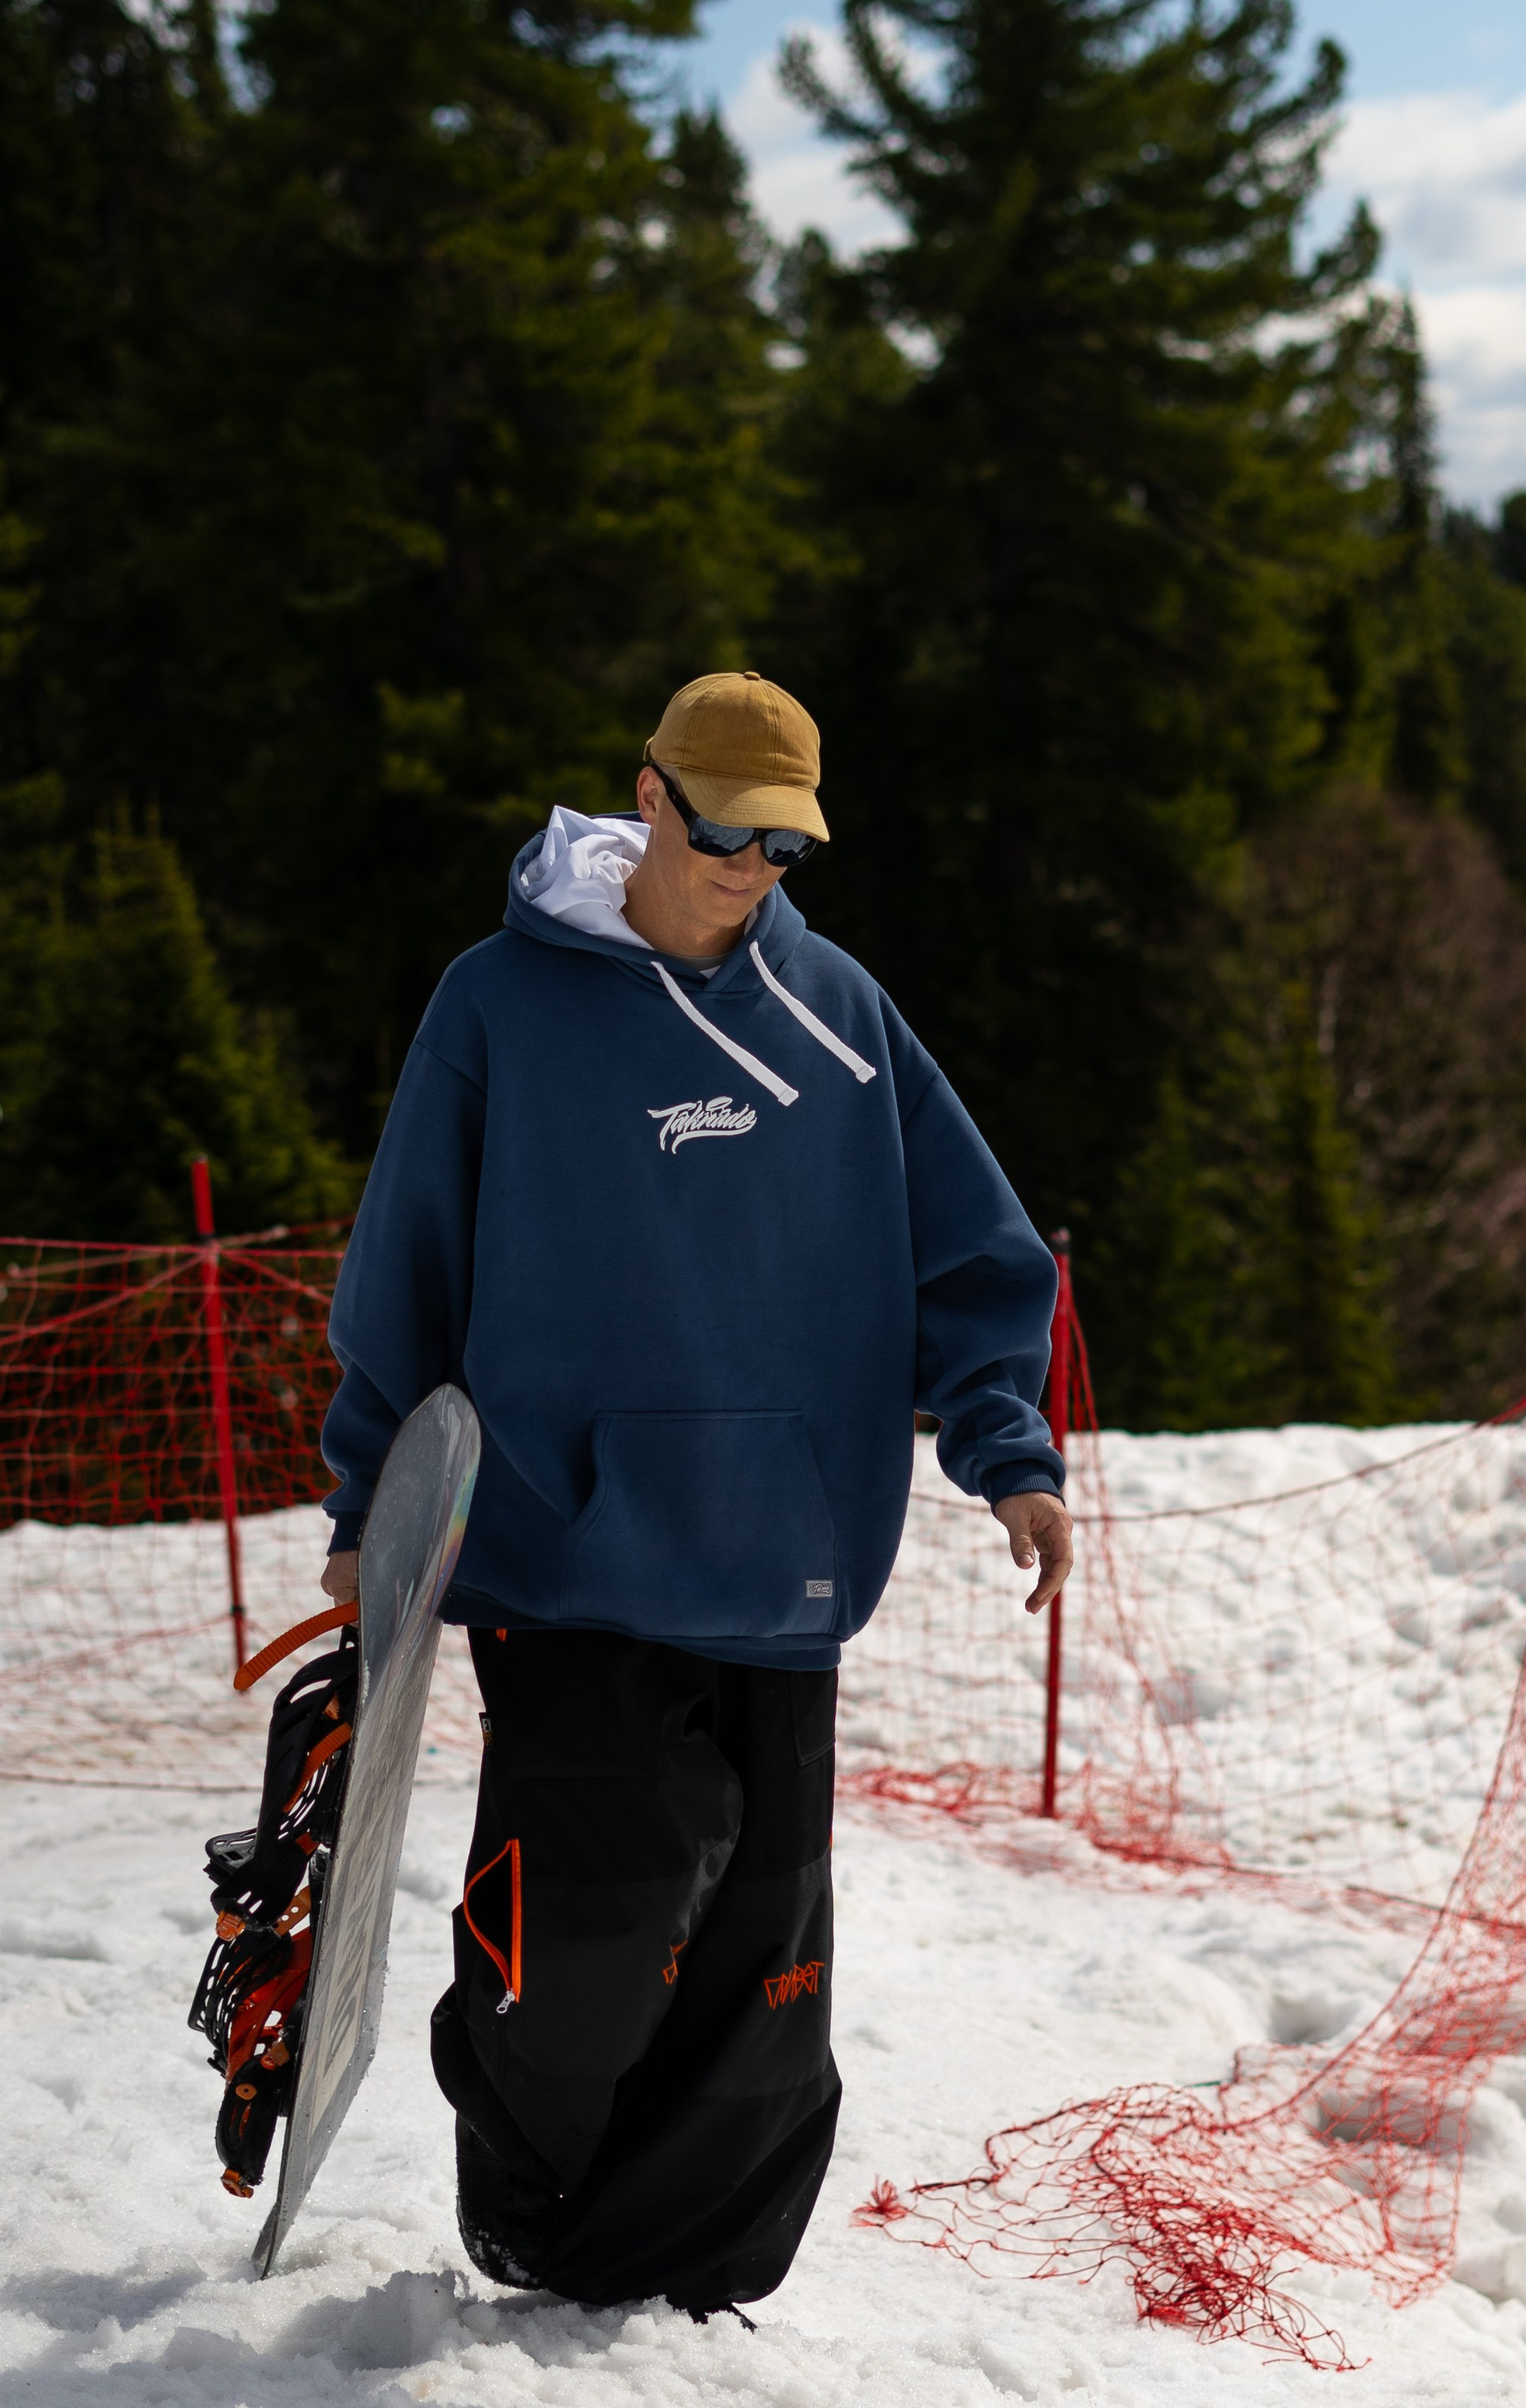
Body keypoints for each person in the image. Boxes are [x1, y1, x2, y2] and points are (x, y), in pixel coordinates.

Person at [316, 670, 1071, 2317]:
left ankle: (690, 2268)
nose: (754, 872)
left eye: (787, 847)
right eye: (727, 833)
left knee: (760, 1960)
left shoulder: (839, 1014)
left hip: (785, 1563)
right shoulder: (496, 1005)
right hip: (562, 1553)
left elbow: (974, 1251)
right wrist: (366, 1507)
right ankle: (533, 2200)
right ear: (646, 798)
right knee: (596, 1911)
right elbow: (405, 1271)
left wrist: (1003, 1450)